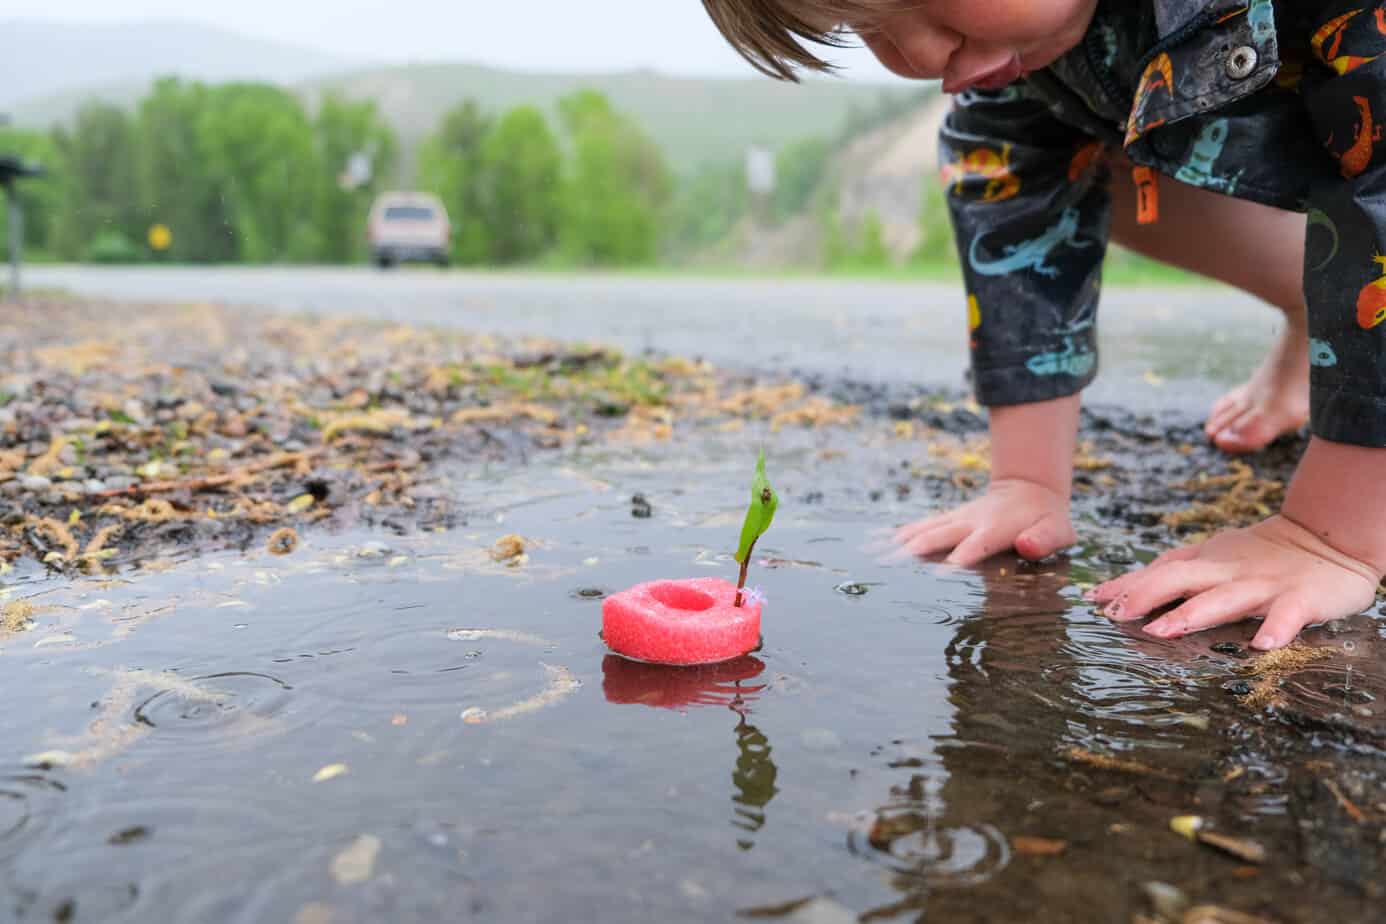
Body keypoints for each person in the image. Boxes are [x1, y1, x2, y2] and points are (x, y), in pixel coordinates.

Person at [699, 0, 1386, 649]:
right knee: (1061, 158)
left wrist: (1331, 537)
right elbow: (1011, 203)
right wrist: (1027, 482)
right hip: (1297, 143)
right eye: (866, 27)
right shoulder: (1027, 53)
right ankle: (1325, 318)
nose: (918, 54)